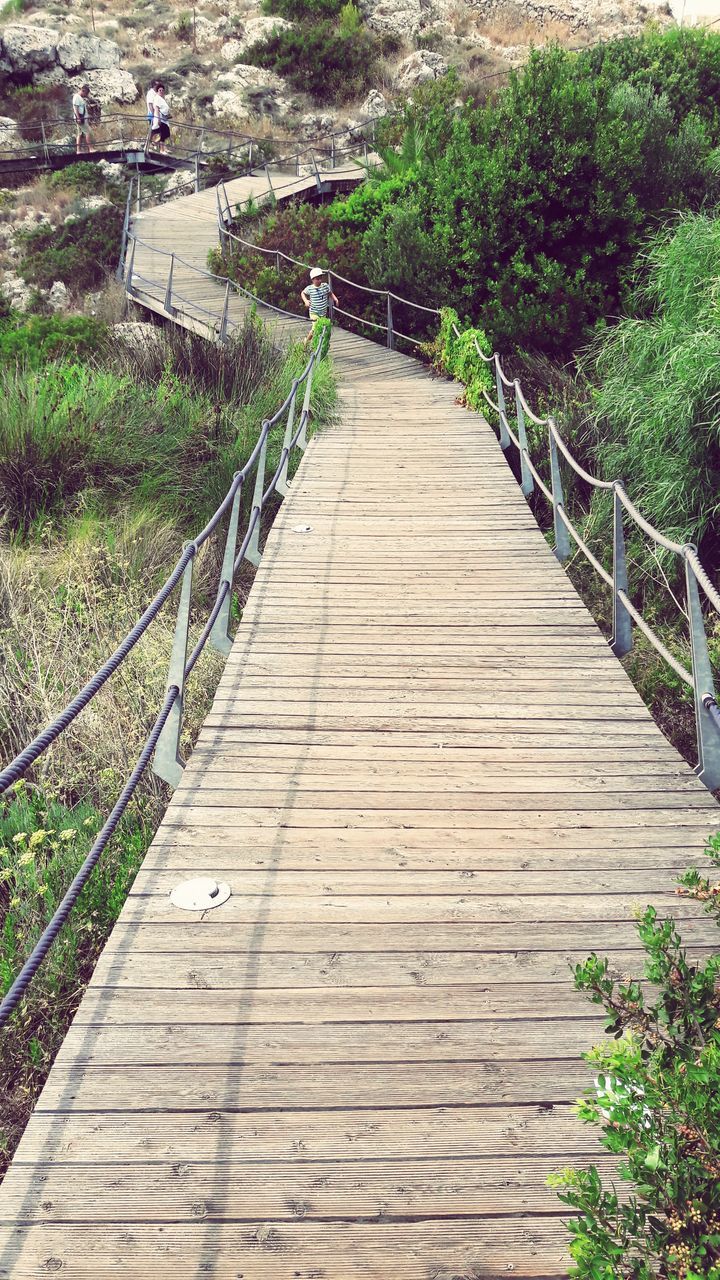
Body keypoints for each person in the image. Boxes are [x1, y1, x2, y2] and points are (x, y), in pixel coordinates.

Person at [301, 267, 338, 348]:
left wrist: (335, 299)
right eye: (317, 279)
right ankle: (306, 342)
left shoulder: (325, 286)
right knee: (314, 328)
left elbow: (330, 293)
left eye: (320, 278)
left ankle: (316, 344)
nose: (320, 280)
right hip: (314, 312)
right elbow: (302, 293)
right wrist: (306, 301)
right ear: (313, 279)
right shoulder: (310, 288)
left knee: (321, 329)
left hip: (323, 313)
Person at [72, 84, 93, 155]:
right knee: (87, 132)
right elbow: (75, 108)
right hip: (80, 119)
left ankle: (78, 151)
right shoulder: (76, 97)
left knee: (79, 134)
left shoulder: (79, 97)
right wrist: (78, 118)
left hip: (81, 118)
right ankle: (91, 149)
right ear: (83, 91)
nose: (86, 95)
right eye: (86, 93)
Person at [151, 83, 171, 154]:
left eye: (162, 90)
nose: (161, 92)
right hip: (161, 119)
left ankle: (164, 148)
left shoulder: (161, 99)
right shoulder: (157, 98)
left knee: (166, 134)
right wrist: (158, 119)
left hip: (165, 119)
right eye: (160, 90)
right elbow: (156, 109)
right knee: (162, 134)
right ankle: (161, 150)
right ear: (157, 91)